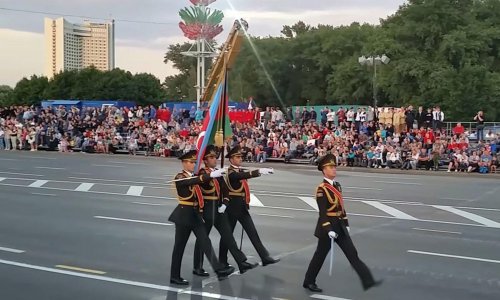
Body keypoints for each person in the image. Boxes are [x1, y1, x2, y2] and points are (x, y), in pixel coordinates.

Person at [303, 154, 382, 293]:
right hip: (327, 227)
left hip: (339, 225)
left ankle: (368, 280)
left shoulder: (337, 186)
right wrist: (328, 229)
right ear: (324, 170)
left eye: (334, 167)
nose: (334, 169)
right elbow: (322, 213)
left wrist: (346, 223)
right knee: (320, 256)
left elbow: (341, 206)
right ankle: (309, 281)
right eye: (331, 167)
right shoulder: (322, 189)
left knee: (352, 253)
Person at [168, 150, 234, 286]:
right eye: (191, 162)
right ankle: (174, 276)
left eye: (194, 162)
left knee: (205, 242)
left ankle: (219, 270)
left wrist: (214, 175)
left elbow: (198, 180)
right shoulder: (180, 176)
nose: (193, 165)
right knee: (179, 247)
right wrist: (211, 175)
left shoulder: (192, 176)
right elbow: (195, 180)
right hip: (183, 216)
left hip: (195, 215)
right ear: (184, 163)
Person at [192, 145, 258, 276]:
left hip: (218, 209)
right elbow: (203, 182)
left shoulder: (218, 172)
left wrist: (225, 203)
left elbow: (225, 189)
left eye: (214, 157)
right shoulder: (202, 173)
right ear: (205, 160)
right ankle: (197, 267)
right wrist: (212, 175)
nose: (214, 159)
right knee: (203, 240)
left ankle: (241, 262)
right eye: (211, 157)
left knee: (228, 236)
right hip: (207, 210)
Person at [219, 146, 280, 268]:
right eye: (237, 157)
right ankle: (222, 261)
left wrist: (261, 171)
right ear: (231, 159)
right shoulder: (229, 172)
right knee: (228, 236)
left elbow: (243, 174)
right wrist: (258, 172)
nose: (240, 159)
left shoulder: (239, 170)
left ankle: (265, 257)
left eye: (241, 157)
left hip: (241, 207)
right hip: (231, 207)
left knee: (253, 232)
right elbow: (239, 176)